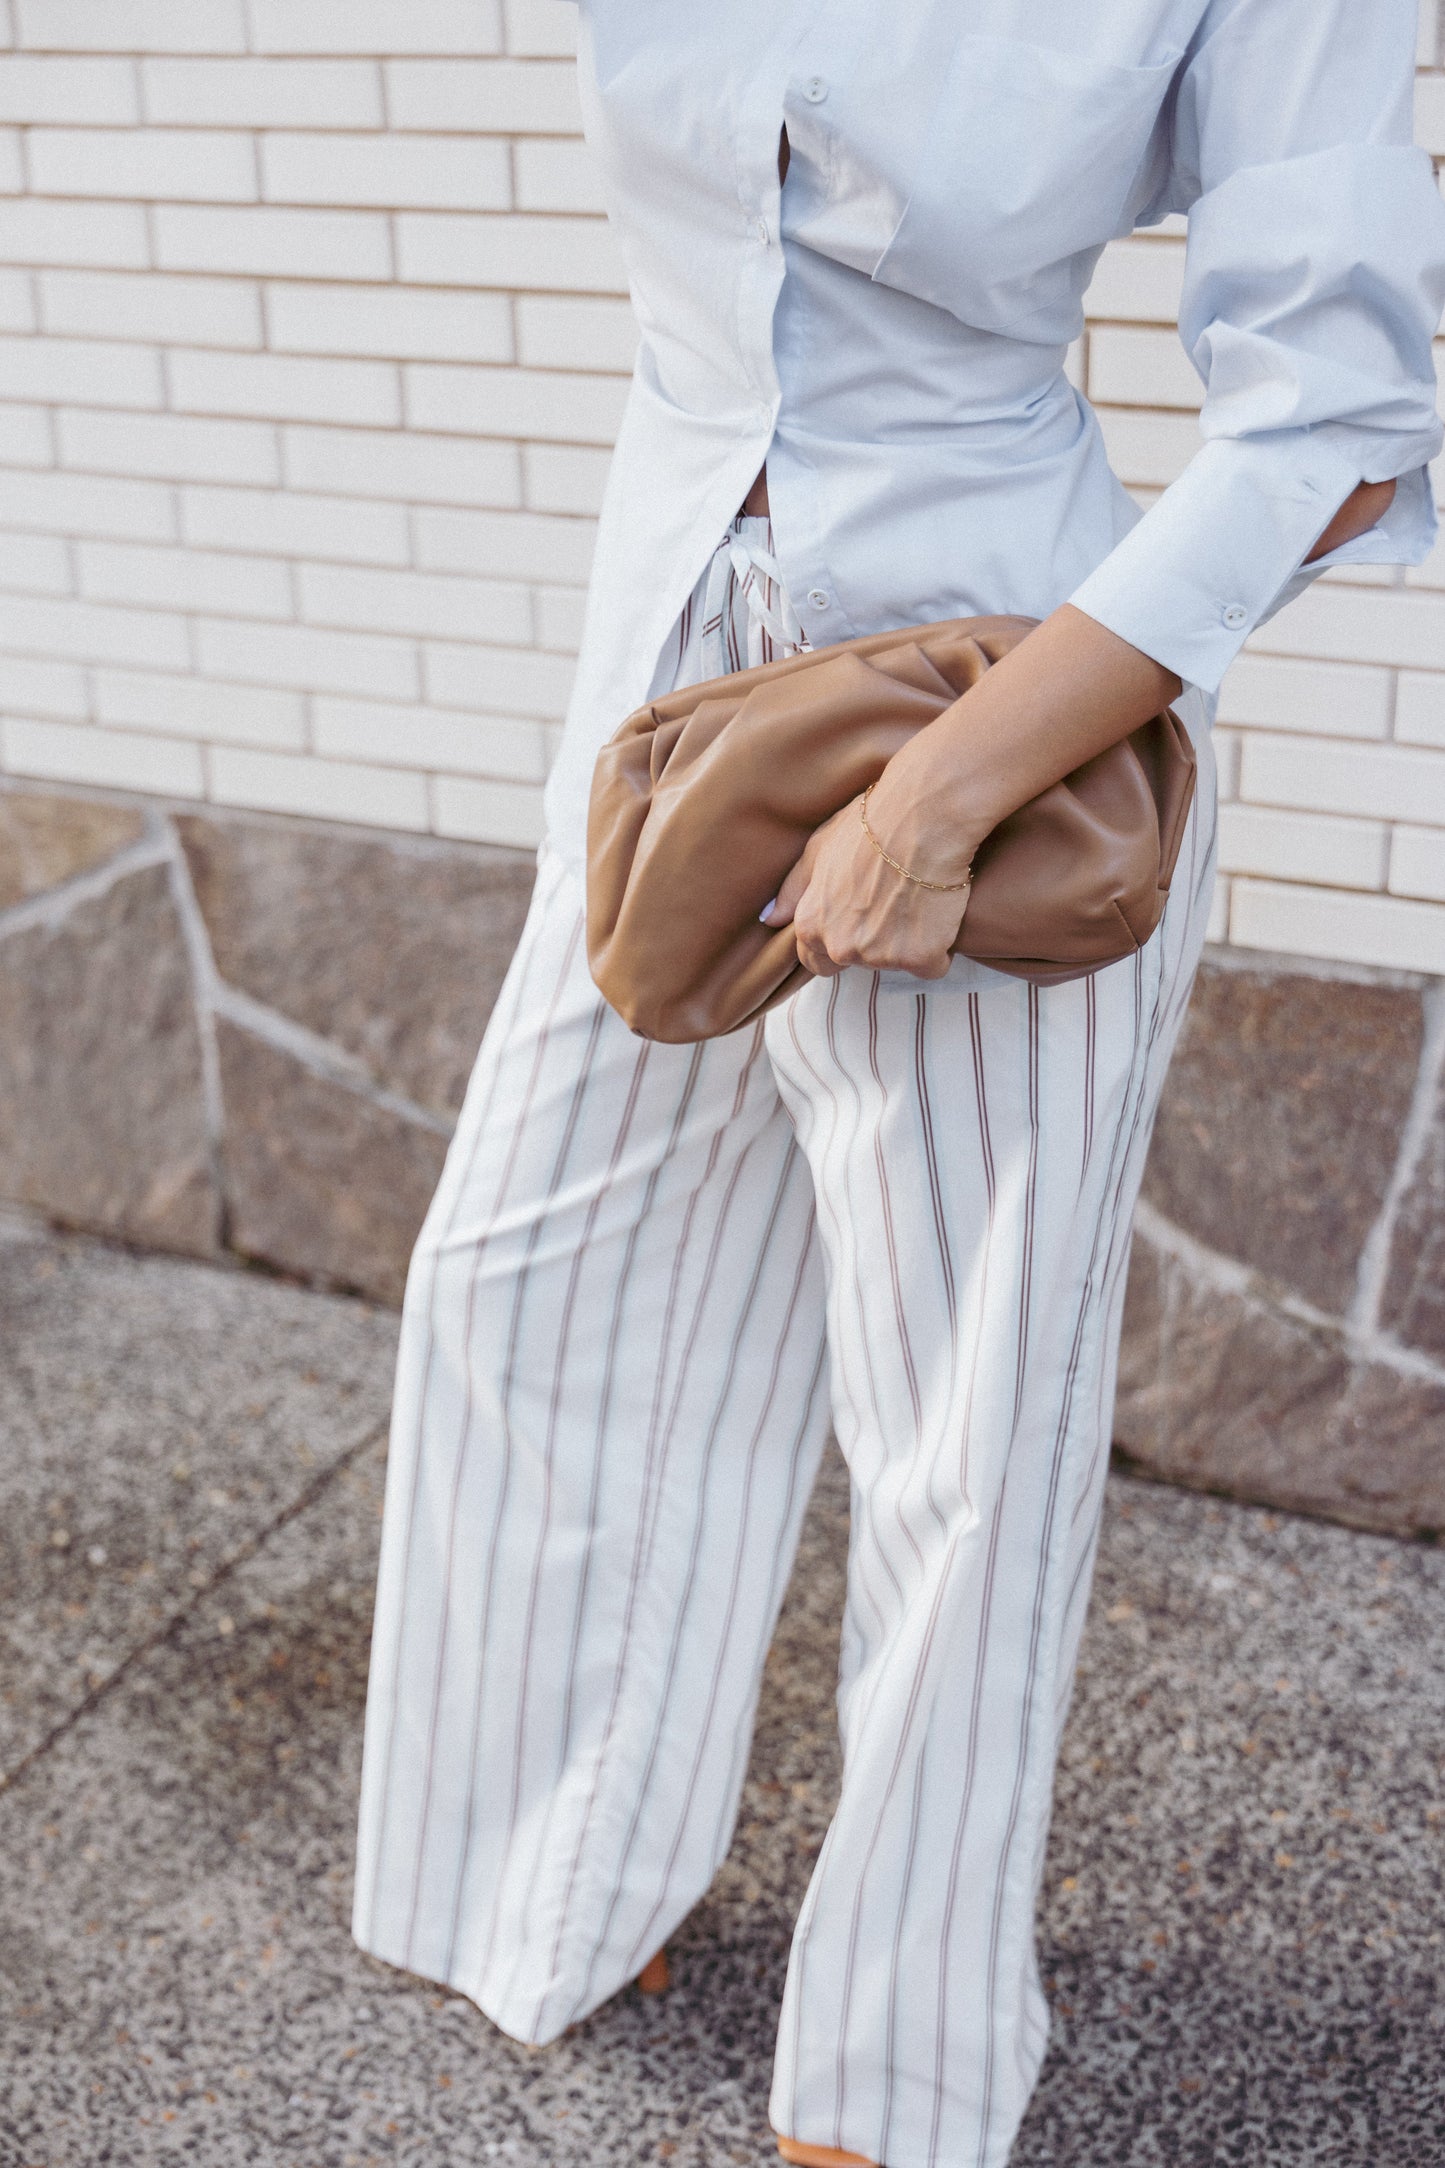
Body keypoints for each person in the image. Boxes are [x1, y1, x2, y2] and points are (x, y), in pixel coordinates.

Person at [352, 4, 1445, 2162]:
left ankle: (896, 2068)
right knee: (522, 1287)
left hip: (996, 706)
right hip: (679, 684)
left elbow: (1338, 428)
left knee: (963, 1428)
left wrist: (941, 794)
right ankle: (556, 1879)